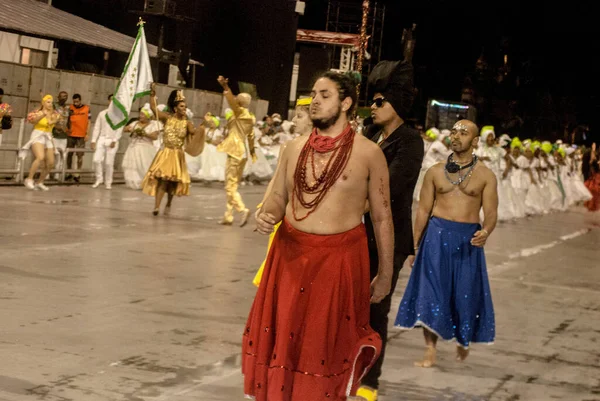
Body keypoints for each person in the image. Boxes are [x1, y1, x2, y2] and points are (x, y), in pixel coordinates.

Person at [246, 72, 394, 401]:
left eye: (324, 95)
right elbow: (277, 201)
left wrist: (385, 274)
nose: (314, 100)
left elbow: (383, 217)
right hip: (289, 256)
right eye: (313, 94)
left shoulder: (370, 154)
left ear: (346, 103)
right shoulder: (292, 148)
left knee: (323, 349)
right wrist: (265, 216)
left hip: (339, 262)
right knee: (285, 347)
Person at [395, 119, 497, 368]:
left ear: (475, 141)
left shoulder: (486, 175)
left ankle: (464, 339)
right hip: (435, 236)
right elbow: (422, 211)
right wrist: (414, 245)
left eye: (464, 132)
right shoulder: (434, 171)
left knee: (465, 295)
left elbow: (492, 212)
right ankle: (430, 349)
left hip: (467, 241)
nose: (456, 135)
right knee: (431, 295)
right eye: (454, 131)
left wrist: (486, 231)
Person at [356, 60, 424, 401]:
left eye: (381, 101)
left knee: (376, 308)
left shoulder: (410, 141)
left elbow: (390, 186)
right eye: (373, 100)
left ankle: (370, 379)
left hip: (389, 238)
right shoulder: (367, 134)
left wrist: (356, 197)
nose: (374, 106)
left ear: (397, 104)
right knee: (350, 305)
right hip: (355, 233)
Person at [252, 97, 314, 287]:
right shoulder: (288, 146)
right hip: (283, 216)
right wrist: (263, 207)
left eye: (299, 116)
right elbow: (275, 181)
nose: (294, 121)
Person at [142, 86, 204, 215]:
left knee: (172, 183)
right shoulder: (167, 118)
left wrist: (204, 125)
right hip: (166, 154)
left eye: (185, 107)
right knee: (163, 181)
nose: (184, 109)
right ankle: (157, 207)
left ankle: (169, 203)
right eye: (182, 106)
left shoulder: (187, 123)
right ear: (175, 108)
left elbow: (194, 132)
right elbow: (154, 109)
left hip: (177, 155)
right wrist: (152, 95)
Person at [216, 76, 256, 226]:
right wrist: (252, 152)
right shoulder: (250, 117)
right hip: (242, 152)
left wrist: (226, 88)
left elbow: (231, 102)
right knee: (233, 185)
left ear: (239, 102)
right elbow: (251, 136)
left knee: (229, 185)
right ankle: (228, 215)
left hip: (234, 150)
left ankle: (242, 209)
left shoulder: (240, 113)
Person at [21, 94, 60, 191]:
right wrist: (43, 114)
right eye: (48, 102)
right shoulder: (37, 112)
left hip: (48, 136)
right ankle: (29, 179)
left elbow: (51, 124)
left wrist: (51, 118)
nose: (50, 104)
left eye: (51, 102)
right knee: (40, 157)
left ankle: (40, 182)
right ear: (43, 103)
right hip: (38, 135)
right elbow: (33, 121)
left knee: (51, 163)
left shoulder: (54, 114)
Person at [121, 104, 160, 189]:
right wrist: (129, 129)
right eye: (140, 114)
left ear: (147, 116)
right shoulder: (135, 123)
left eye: (143, 114)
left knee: (144, 166)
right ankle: (134, 184)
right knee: (133, 166)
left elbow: (155, 137)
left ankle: (145, 183)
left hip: (145, 148)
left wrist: (144, 134)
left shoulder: (153, 124)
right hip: (133, 148)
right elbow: (124, 129)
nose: (140, 116)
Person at [91, 94, 123, 189]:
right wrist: (93, 140)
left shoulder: (119, 115)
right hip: (102, 138)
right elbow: (97, 127)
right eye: (111, 100)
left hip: (112, 139)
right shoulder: (102, 113)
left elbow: (120, 129)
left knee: (109, 163)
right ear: (108, 101)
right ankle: (99, 178)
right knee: (96, 159)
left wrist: (115, 140)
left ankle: (108, 182)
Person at [67, 93, 91, 182]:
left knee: (79, 155)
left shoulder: (87, 109)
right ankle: (69, 172)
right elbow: (67, 119)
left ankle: (78, 173)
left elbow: (89, 122)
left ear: (80, 100)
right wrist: (67, 129)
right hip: (71, 135)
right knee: (69, 154)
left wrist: (87, 133)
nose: (75, 103)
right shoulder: (70, 108)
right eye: (74, 102)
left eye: (77, 101)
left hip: (81, 136)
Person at [52, 91, 70, 178]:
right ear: (58, 97)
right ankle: (47, 175)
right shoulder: (53, 106)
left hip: (64, 136)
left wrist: (68, 130)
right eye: (62, 96)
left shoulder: (68, 108)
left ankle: (57, 175)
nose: (64, 98)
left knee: (62, 155)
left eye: (65, 96)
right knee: (53, 155)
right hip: (53, 135)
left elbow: (69, 121)